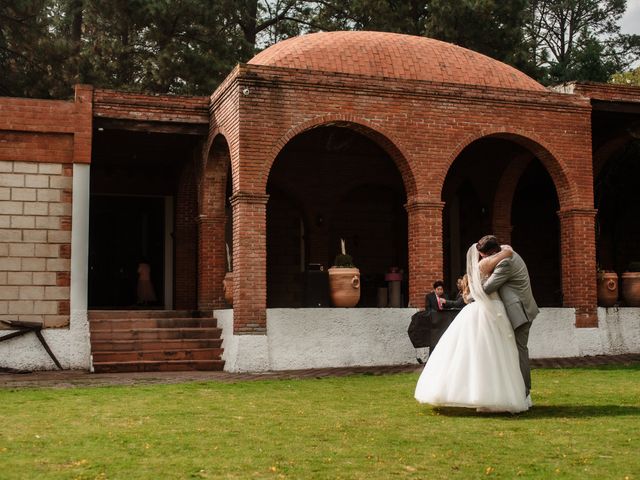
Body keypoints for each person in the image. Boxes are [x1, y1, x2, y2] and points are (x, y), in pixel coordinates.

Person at [415, 243, 529, 413]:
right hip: (491, 309)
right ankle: (493, 394)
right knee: (490, 352)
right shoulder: (489, 263)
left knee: (495, 352)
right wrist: (505, 252)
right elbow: (487, 288)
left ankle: (498, 394)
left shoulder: (491, 262)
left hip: (493, 309)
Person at [477, 235, 539, 406]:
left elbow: (489, 287)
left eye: (483, 256)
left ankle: (524, 393)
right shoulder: (504, 251)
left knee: (519, 352)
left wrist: (472, 286)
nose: (482, 259)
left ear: (491, 252)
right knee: (508, 352)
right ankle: (510, 392)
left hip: (520, 313)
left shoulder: (505, 262)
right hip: (517, 310)